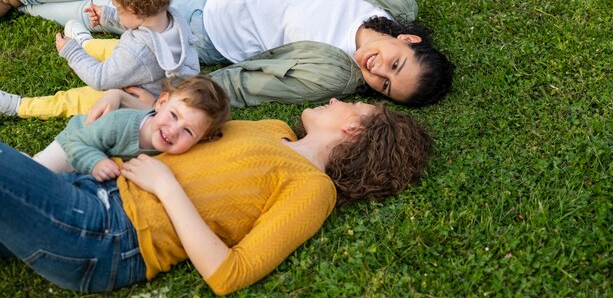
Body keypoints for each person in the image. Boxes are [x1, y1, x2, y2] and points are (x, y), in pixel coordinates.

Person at [0, 91, 432, 295]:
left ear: (353, 128)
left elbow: (229, 273)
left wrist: (167, 187)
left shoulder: (313, 189)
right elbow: (188, 129)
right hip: (92, 183)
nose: (337, 99)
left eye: (349, 105)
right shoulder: (271, 130)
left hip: (107, 234)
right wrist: (129, 101)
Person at [0, 0, 453, 118]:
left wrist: (181, 96)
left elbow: (246, 84)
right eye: (395, 65)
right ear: (409, 40)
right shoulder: (395, 2)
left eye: (386, 88)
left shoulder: (333, 73)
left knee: (96, 8)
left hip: (197, 26)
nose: (378, 74)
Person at [32, 75, 229, 181]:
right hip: (76, 141)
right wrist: (96, 163)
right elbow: (79, 143)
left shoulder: (170, 143)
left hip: (104, 153)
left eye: (188, 131)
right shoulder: (118, 124)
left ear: (201, 140)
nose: (173, 130)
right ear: (160, 103)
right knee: (37, 175)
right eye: (173, 115)